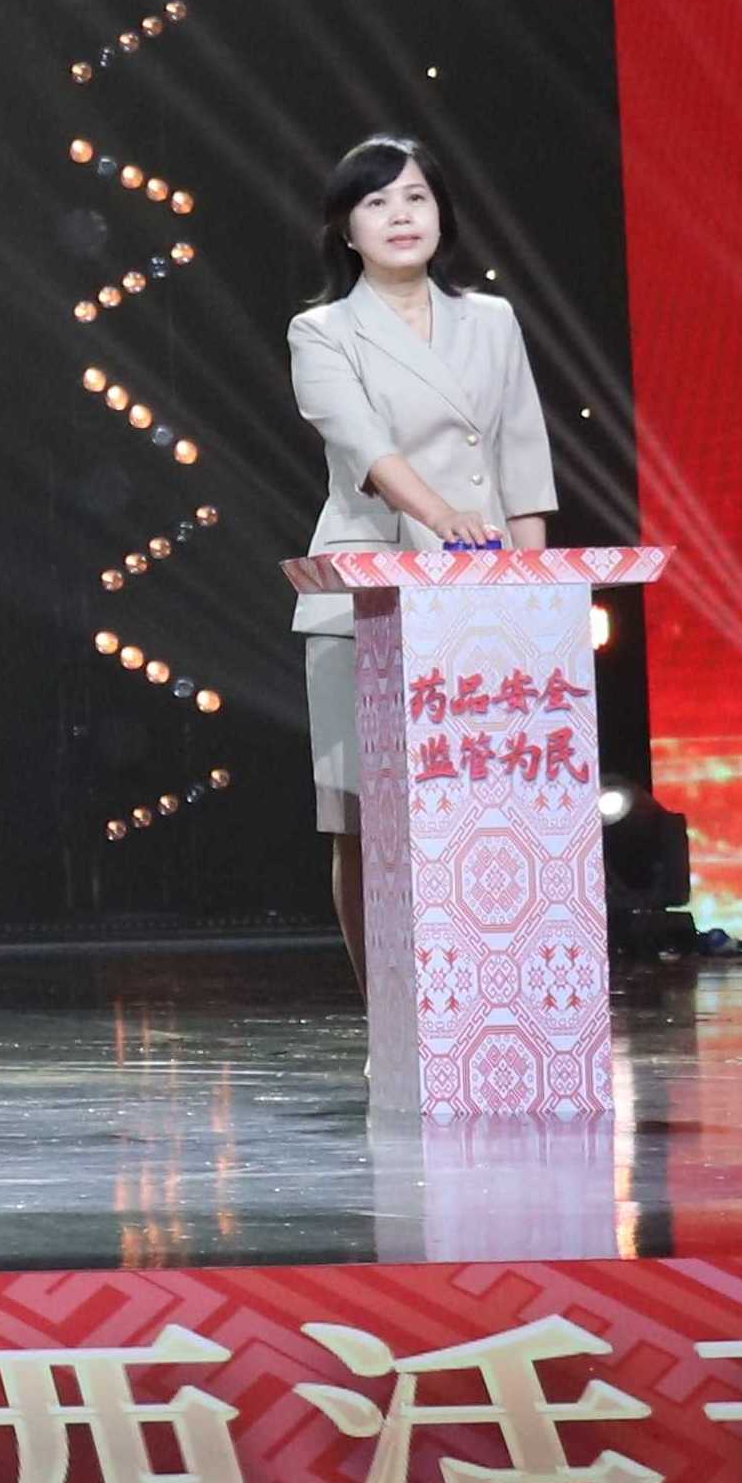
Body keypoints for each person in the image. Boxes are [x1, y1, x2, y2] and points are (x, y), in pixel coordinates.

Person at [289, 135, 555, 956]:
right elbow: (365, 449)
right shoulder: (321, 331)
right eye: (375, 202)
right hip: (366, 599)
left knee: (491, 806)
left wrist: (532, 590)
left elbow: (521, 458)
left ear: (441, 214)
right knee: (363, 820)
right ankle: (388, 1008)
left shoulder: (492, 320)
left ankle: (486, 987)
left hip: (482, 597)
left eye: (415, 197)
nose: (399, 216)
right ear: (345, 228)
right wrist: (446, 520)